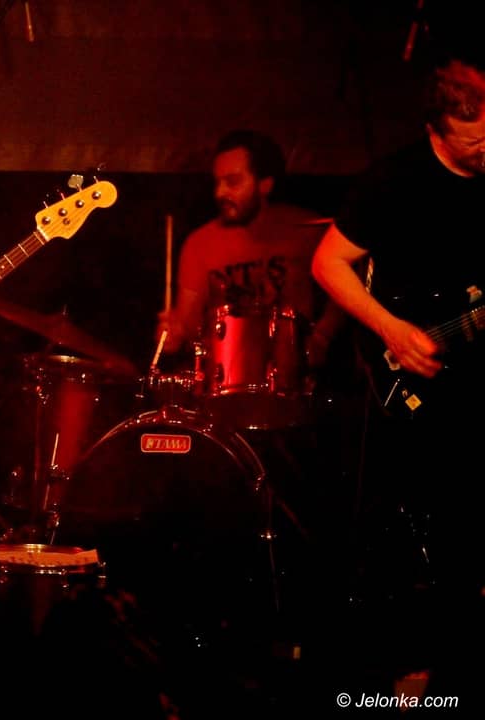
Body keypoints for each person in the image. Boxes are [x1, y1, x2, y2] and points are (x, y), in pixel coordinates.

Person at [311, 54, 484, 705]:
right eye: (473, 142)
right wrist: (391, 329)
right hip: (410, 381)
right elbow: (328, 264)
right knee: (400, 534)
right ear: (437, 129)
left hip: (478, 376)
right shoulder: (394, 181)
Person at [157, 129, 343, 376]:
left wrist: (323, 335)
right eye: (217, 182)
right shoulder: (199, 242)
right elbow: (188, 324)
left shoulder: (306, 230)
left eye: (232, 182)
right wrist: (175, 334)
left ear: (265, 185)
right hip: (225, 377)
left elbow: (348, 282)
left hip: (295, 374)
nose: (219, 193)